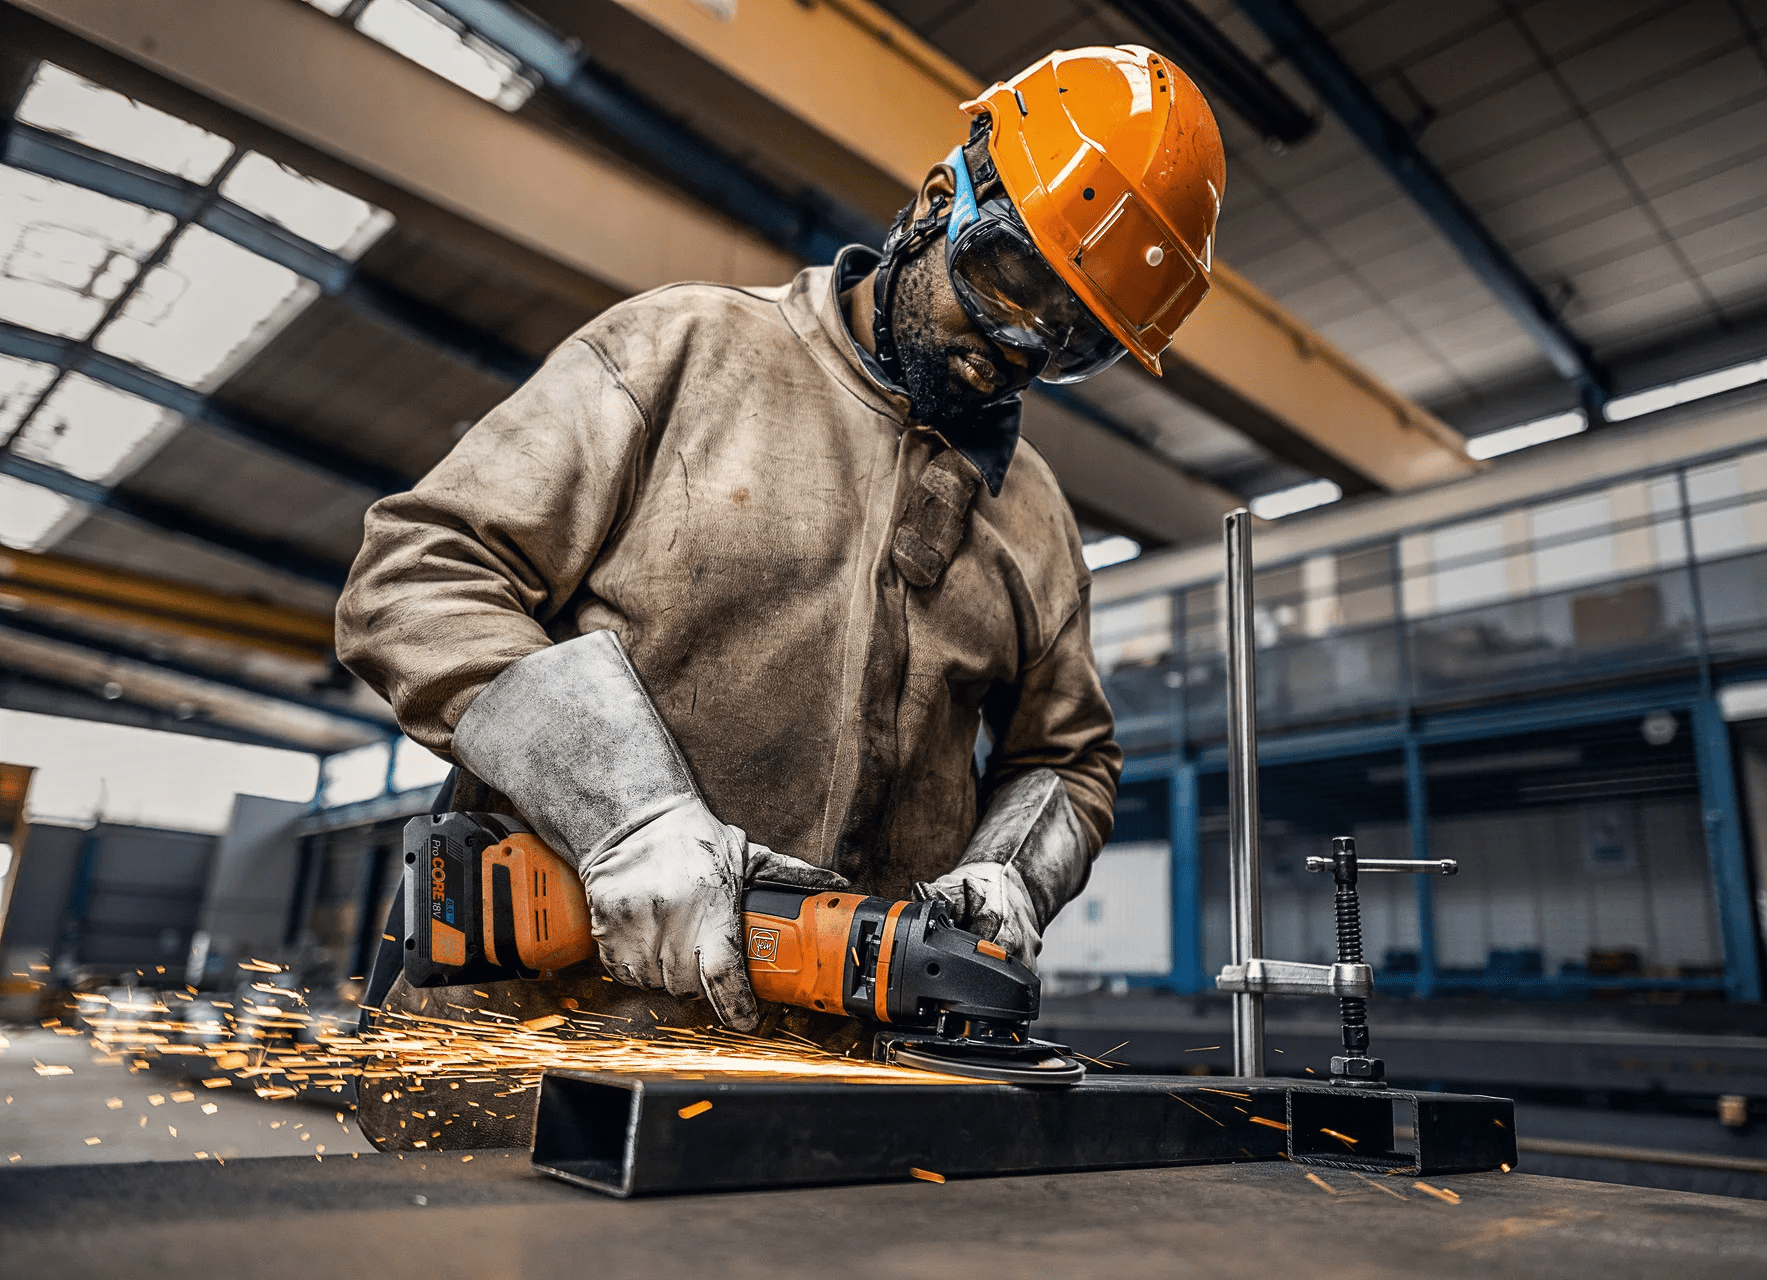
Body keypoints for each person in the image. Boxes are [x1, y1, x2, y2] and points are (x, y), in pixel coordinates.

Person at [335, 44, 1226, 1149]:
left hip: (827, 1108)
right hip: (533, 1073)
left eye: (1073, 339)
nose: (1016, 348)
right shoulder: (685, 351)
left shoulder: (1035, 519)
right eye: (1005, 282)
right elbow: (419, 567)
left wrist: (1011, 874)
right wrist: (627, 817)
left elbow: (1068, 756)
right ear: (940, 198)